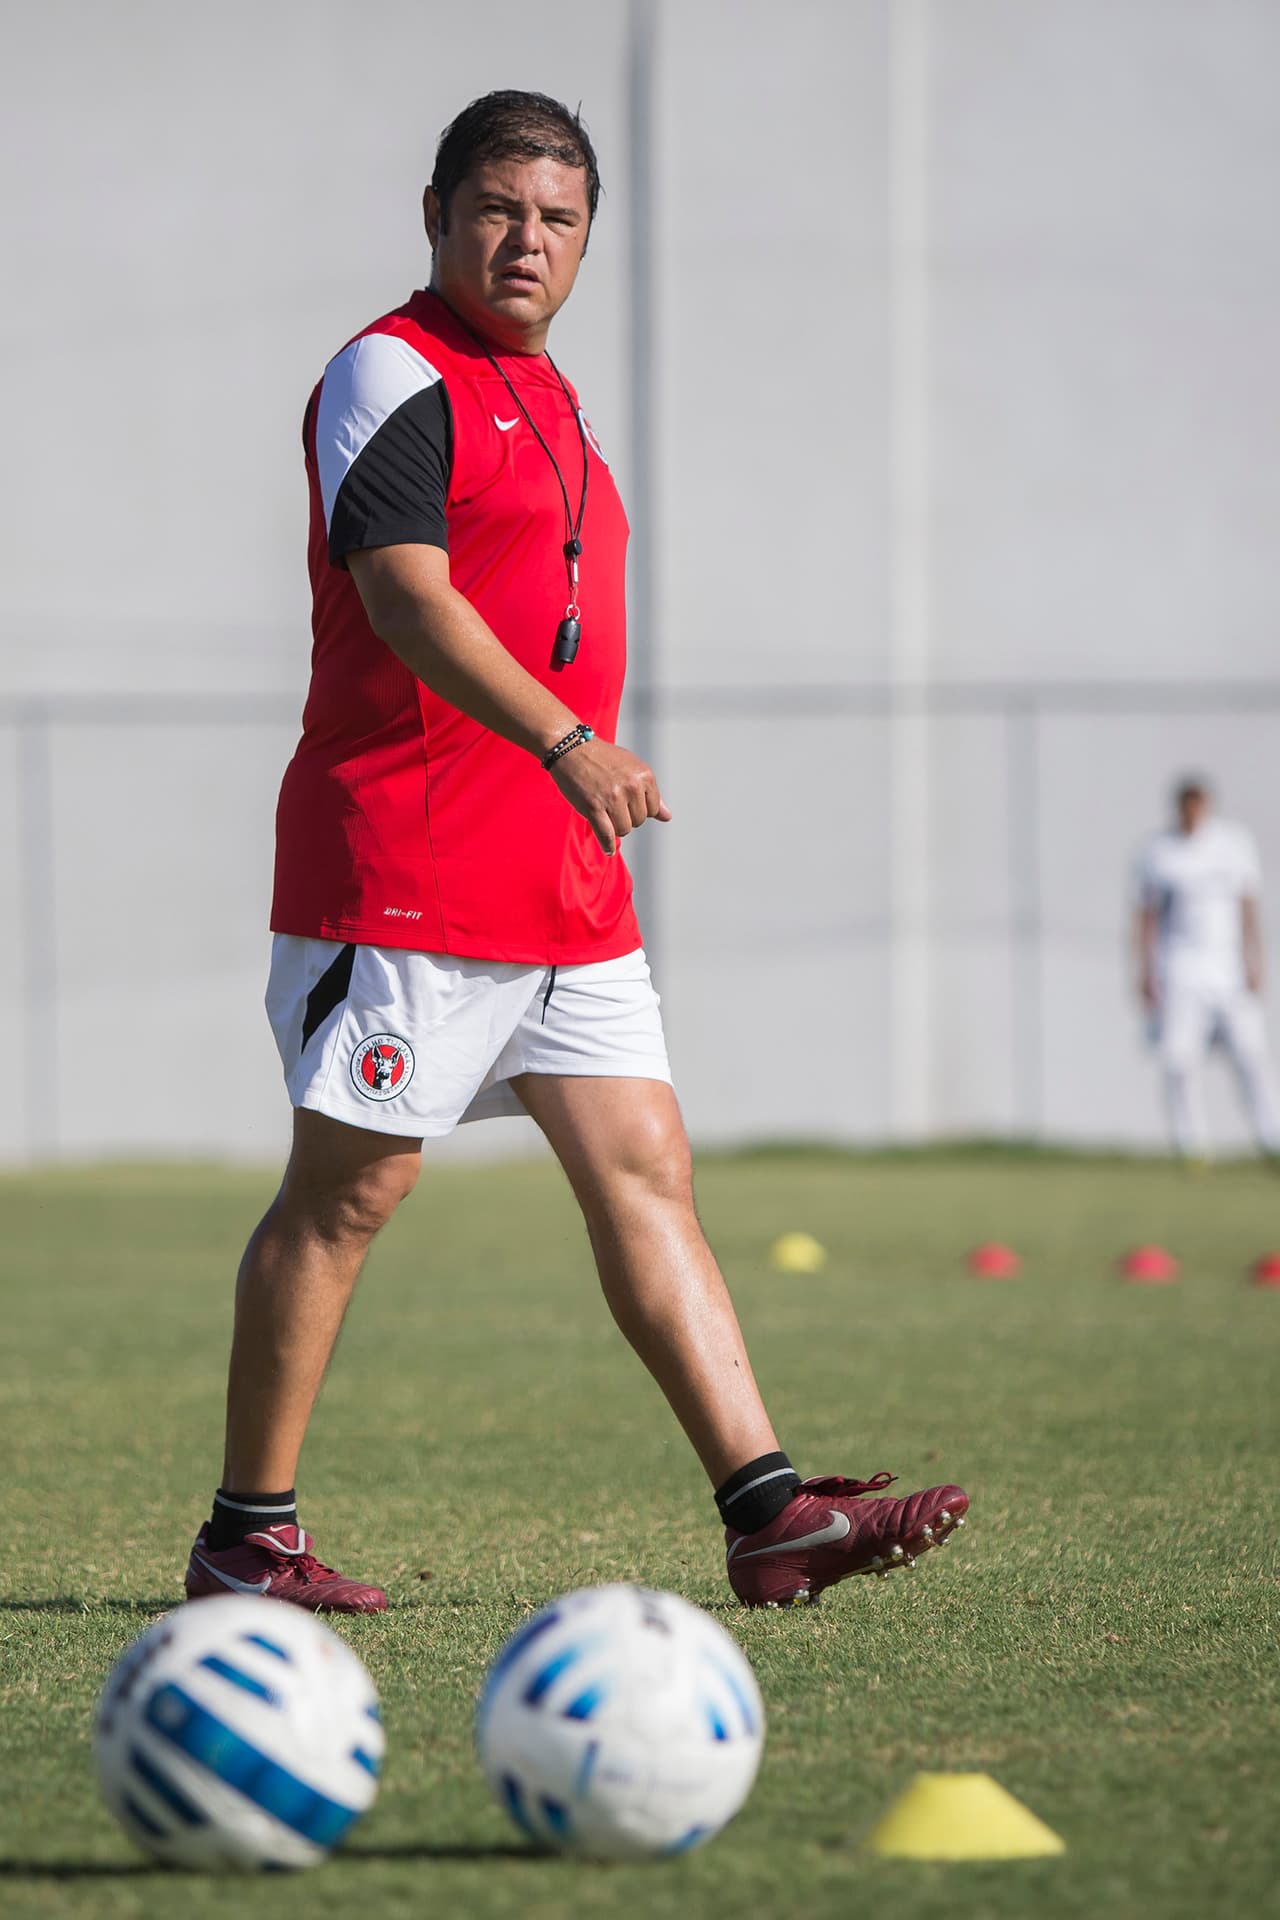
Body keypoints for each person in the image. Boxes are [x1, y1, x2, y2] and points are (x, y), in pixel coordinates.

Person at [185, 90, 968, 1615]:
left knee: (645, 1167)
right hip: (404, 864)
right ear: (436, 215)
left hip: (560, 885)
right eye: (497, 208)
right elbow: (409, 598)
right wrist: (565, 740)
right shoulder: (388, 372)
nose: (525, 240)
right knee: (348, 1195)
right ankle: (248, 1536)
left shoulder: (547, 397)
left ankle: (770, 1511)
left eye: (556, 218)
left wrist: (566, 784)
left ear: (587, 238)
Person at [1135, 776, 1280, 1160]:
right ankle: (1192, 1147)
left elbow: (1249, 907)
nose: (1193, 812)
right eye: (1187, 805)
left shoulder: (1234, 844)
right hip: (1180, 969)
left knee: (1252, 1054)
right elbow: (1146, 917)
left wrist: (1256, 961)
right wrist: (1145, 972)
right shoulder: (1159, 852)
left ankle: (1272, 1138)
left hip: (1228, 968)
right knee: (1180, 1060)